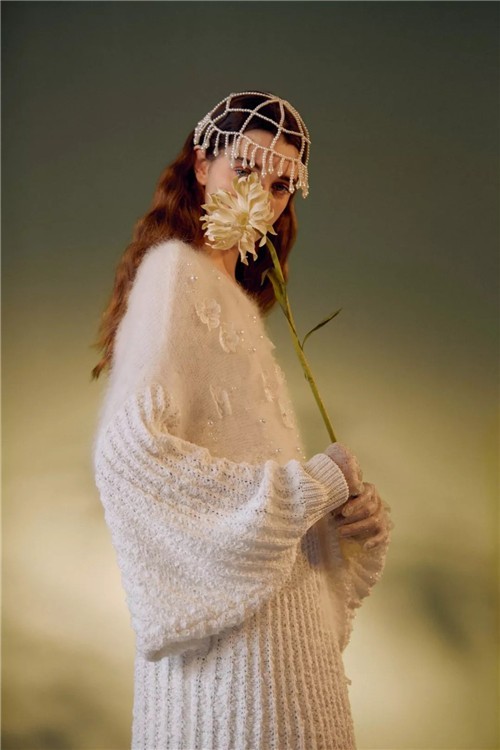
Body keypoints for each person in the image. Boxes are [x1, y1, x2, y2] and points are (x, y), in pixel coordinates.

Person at [91, 91, 392, 750]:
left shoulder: (236, 304)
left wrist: (346, 519)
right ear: (202, 165)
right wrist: (310, 486)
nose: (263, 195)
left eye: (282, 185)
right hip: (242, 676)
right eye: (246, 170)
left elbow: (264, 493)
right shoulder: (176, 274)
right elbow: (128, 454)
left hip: (286, 659)